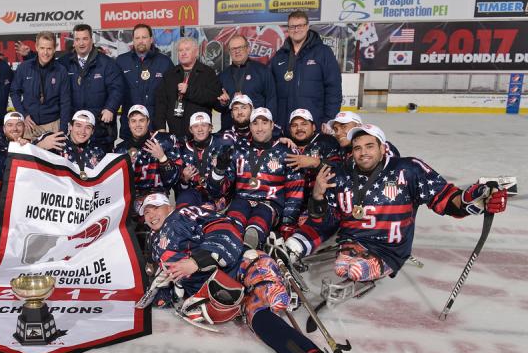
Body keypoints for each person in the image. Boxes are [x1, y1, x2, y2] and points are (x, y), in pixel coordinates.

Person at [140, 193, 348, 353]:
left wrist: (197, 260)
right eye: (146, 211)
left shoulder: (183, 214)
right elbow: (172, 278)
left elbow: (224, 228)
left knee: (271, 299)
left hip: (241, 265)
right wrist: (164, 295)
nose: (150, 214)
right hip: (221, 291)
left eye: (155, 207)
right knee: (258, 318)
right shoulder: (153, 241)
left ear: (169, 207)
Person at [285, 124, 509, 304]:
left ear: (383, 148)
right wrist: (317, 196)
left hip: (389, 248)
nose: (363, 152)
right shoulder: (340, 175)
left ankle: (380, 266)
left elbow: (444, 198)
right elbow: (326, 222)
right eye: (357, 148)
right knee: (342, 266)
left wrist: (472, 199)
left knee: (352, 269)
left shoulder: (409, 169)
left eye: (369, 146)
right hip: (353, 241)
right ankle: (357, 259)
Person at [209, 107, 304, 249]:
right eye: (255, 123)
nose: (259, 128)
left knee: (259, 218)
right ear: (250, 127)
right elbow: (218, 191)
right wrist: (218, 171)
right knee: (235, 215)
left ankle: (249, 246)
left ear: (272, 125)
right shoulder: (238, 149)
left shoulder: (287, 151)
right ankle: (229, 245)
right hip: (242, 201)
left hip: (269, 205)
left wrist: (287, 226)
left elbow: (295, 193)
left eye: (264, 123)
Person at [269, 11, 341, 134]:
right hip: (285, 125)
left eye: (300, 25)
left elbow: (333, 88)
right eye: (292, 26)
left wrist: (329, 119)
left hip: (314, 124)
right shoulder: (279, 56)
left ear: (307, 26)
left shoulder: (323, 53)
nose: (296, 30)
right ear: (288, 29)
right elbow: (268, 89)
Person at [60, 24, 123, 153]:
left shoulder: (107, 63)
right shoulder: (63, 63)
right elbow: (45, 67)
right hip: (74, 129)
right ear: (74, 42)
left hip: (101, 129)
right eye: (78, 39)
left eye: (85, 39)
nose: (81, 43)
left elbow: (117, 88)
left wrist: (110, 108)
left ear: (91, 40)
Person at [115, 105, 181, 211]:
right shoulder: (121, 150)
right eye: (133, 121)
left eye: (141, 120)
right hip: (132, 198)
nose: (137, 125)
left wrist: (162, 158)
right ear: (129, 124)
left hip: (158, 196)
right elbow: (117, 186)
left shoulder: (165, 141)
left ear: (148, 122)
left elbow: (173, 180)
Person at [154, 37, 221, 141]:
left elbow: (213, 97)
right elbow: (161, 103)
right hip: (175, 135)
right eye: (180, 50)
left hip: (199, 134)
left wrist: (189, 91)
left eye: (187, 49)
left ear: (196, 52)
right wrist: (161, 128)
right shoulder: (170, 75)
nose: (183, 53)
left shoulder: (208, 73)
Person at [115, 23, 174, 141]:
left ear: (151, 39)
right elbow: (114, 90)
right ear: (133, 40)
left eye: (144, 37)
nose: (140, 41)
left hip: (155, 125)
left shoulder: (164, 62)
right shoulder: (121, 61)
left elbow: (171, 96)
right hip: (130, 126)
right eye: (137, 38)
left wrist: (164, 124)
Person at [11, 31, 72, 140]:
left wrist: (62, 130)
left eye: (49, 49)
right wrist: (23, 114)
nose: (46, 52)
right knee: (27, 157)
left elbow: (65, 102)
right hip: (29, 126)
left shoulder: (61, 71)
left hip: (53, 126)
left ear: (54, 49)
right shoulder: (24, 68)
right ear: (36, 47)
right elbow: (14, 92)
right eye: (42, 48)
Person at [217, 35, 277, 132]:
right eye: (233, 49)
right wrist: (222, 103)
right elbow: (218, 106)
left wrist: (270, 129)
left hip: (257, 130)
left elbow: (272, 100)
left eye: (240, 47)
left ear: (248, 49)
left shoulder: (262, 71)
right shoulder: (222, 75)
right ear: (229, 52)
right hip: (230, 130)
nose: (237, 51)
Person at [174, 112, 227, 210]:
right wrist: (184, 179)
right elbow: (179, 190)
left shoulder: (221, 145)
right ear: (191, 129)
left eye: (204, 125)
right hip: (193, 195)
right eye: (196, 126)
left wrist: (219, 172)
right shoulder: (182, 150)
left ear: (211, 128)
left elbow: (229, 182)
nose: (200, 129)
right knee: (183, 207)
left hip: (217, 196)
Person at [36, 110, 106, 175]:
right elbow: (26, 155)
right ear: (70, 126)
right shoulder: (55, 139)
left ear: (92, 131)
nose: (82, 131)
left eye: (88, 127)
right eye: (78, 125)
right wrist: (40, 145)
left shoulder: (97, 152)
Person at [328, 111, 399, 158]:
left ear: (358, 126)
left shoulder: (381, 147)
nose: (338, 133)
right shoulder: (339, 150)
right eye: (335, 129)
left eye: (344, 126)